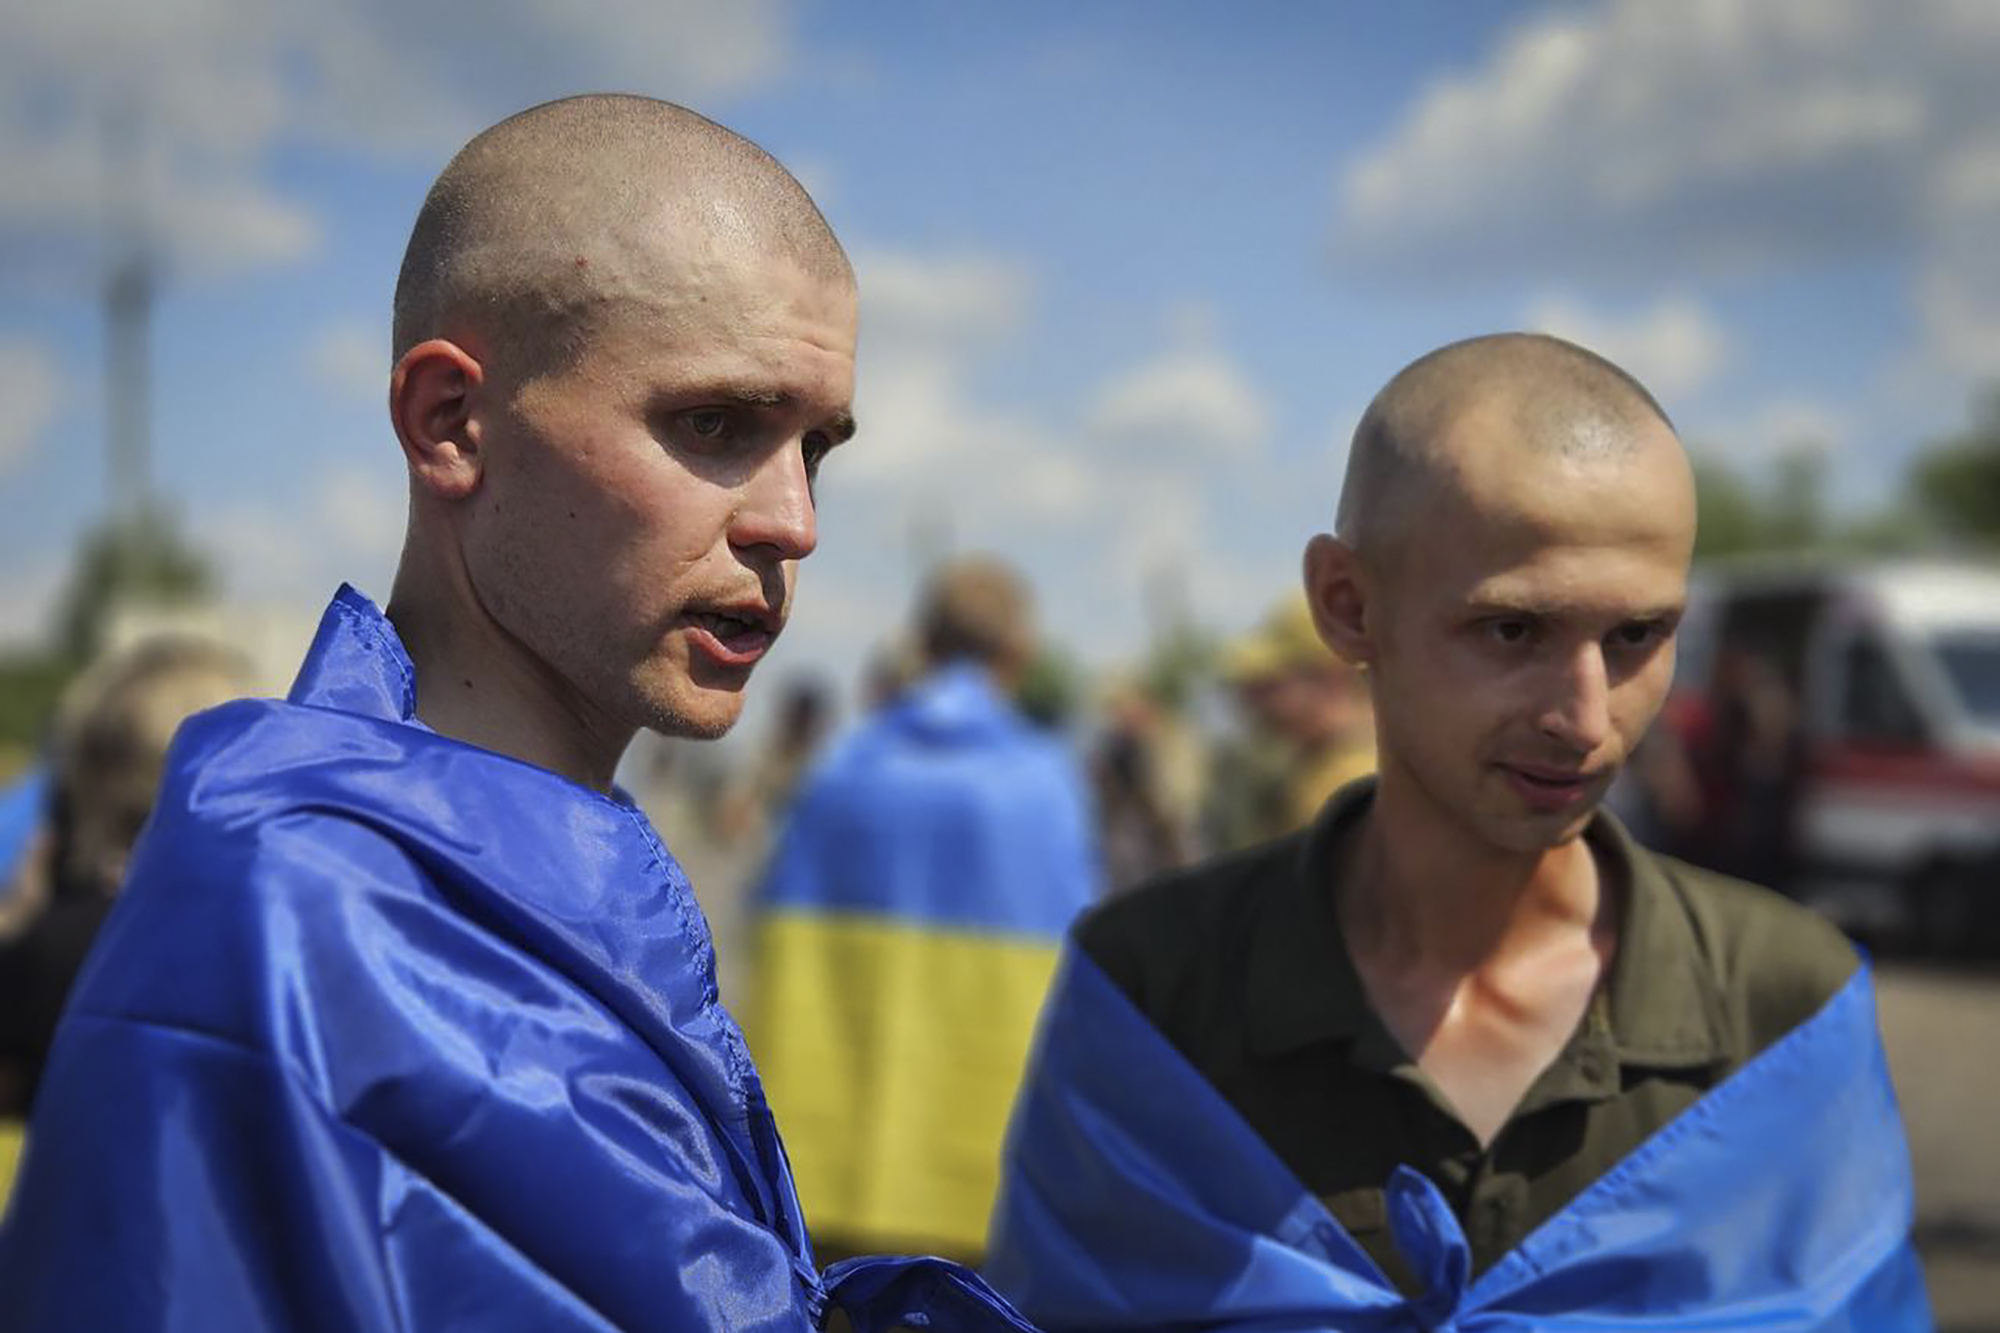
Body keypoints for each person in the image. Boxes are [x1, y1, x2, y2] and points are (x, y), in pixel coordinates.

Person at [0, 95, 1033, 1333]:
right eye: (713, 424)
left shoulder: (517, 872)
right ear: (451, 423)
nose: (792, 522)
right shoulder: (292, 922)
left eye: (815, 448)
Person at [987, 333, 1928, 1329]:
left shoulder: (1780, 1003)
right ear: (1348, 608)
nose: (1583, 716)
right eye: (1512, 631)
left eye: (1635, 637)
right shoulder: (1155, 991)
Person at [746, 556, 1098, 1265]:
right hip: (984, 1192)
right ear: (1021, 652)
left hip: (826, 1180)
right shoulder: (1047, 786)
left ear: (922, 641)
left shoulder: (841, 769)